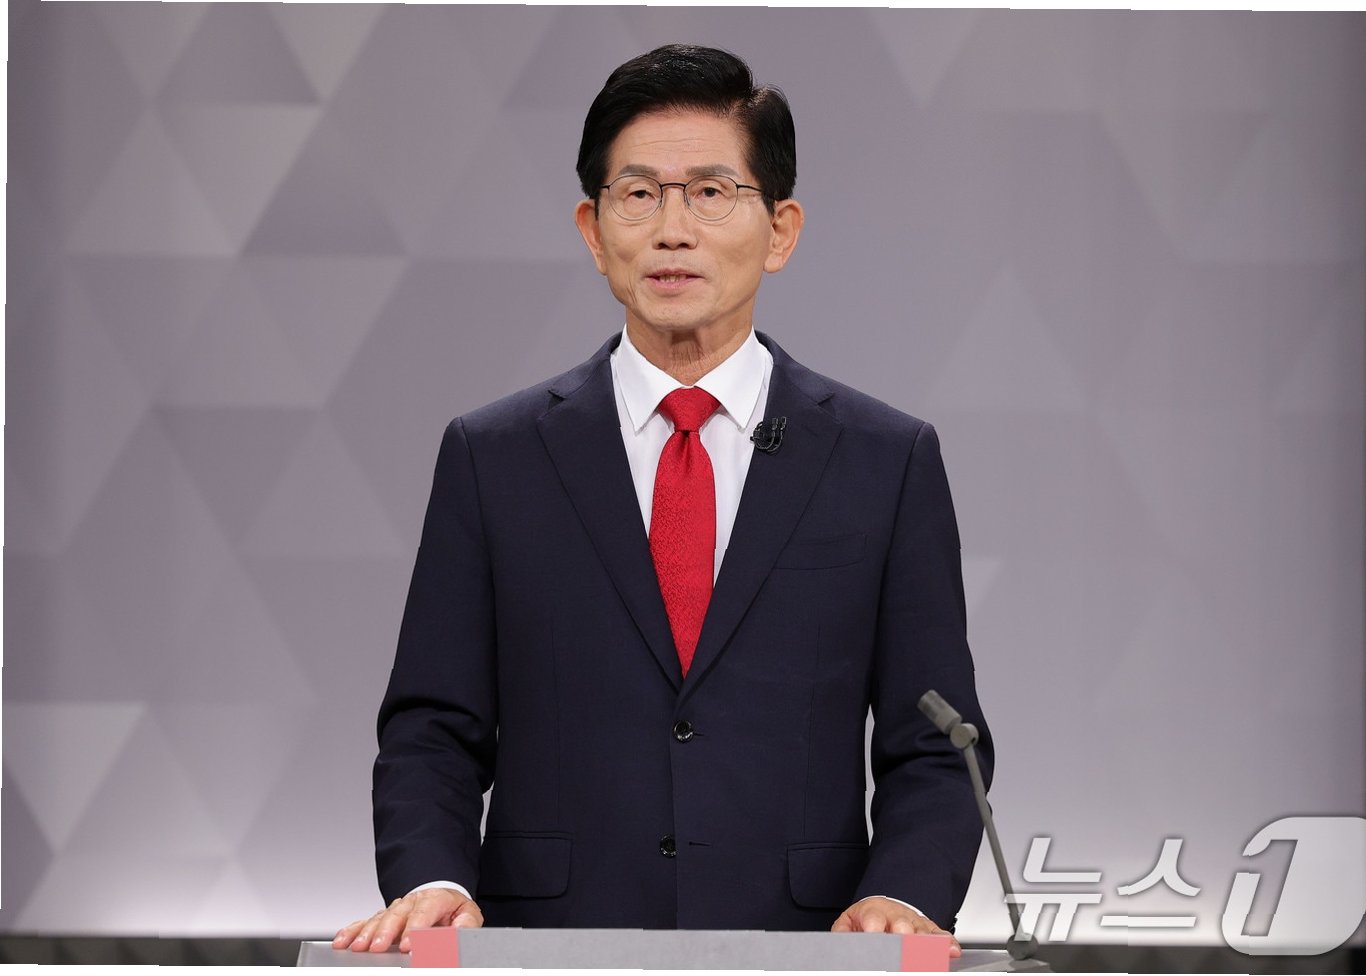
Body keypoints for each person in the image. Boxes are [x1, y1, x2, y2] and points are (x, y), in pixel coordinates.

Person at [333, 44, 992, 956]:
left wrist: (904, 893)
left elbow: (937, 742)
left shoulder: (885, 460)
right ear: (593, 229)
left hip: (805, 949)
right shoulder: (495, 457)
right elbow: (432, 728)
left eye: (711, 192)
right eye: (639, 194)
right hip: (547, 949)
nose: (672, 229)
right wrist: (434, 878)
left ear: (781, 229)